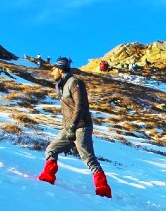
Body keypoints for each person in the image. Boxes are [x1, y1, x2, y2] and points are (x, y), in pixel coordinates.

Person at [38, 57, 112, 198]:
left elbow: (80, 105)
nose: (51, 71)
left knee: (88, 158)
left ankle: (103, 190)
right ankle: (47, 178)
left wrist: (72, 126)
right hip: (69, 128)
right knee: (51, 149)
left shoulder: (75, 82)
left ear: (60, 69)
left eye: (53, 68)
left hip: (81, 127)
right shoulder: (62, 84)